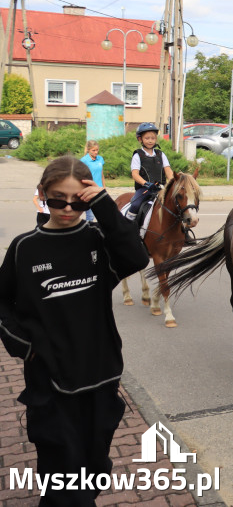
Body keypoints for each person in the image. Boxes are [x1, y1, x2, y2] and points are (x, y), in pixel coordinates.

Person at [0, 156, 149, 504]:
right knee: (62, 474)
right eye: (56, 199)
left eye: (77, 202)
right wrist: (25, 345)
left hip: (101, 375)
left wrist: (102, 204)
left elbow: (137, 258)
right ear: (41, 195)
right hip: (50, 383)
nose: (67, 208)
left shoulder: (97, 239)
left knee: (94, 469)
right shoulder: (24, 248)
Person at [126, 123, 174, 222]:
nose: (150, 140)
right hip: (145, 189)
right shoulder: (138, 155)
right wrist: (146, 184)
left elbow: (168, 171)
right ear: (140, 139)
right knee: (135, 205)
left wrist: (174, 181)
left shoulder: (161, 154)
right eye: (147, 138)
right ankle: (128, 225)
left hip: (161, 188)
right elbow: (135, 174)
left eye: (153, 138)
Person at [80, 139, 105, 222]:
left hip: (100, 190)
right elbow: (80, 177)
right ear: (88, 150)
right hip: (89, 191)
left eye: (97, 150)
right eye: (93, 150)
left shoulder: (100, 159)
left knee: (102, 215)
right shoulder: (84, 160)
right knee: (90, 216)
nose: (96, 152)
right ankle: (88, 232)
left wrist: (104, 188)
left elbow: (101, 175)